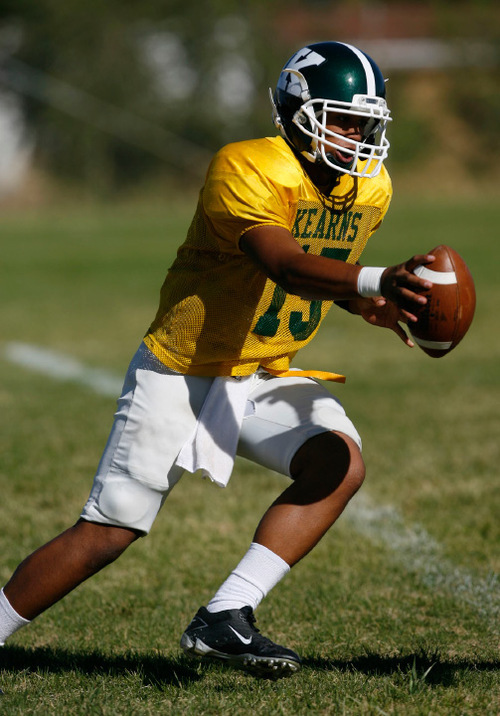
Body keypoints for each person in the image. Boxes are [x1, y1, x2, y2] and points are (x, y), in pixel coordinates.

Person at [0, 41, 434, 677]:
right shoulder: (248, 165)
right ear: (297, 112)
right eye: (342, 119)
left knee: (338, 461)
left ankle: (226, 616)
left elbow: (314, 266)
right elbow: (279, 261)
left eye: (366, 122)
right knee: (109, 532)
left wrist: (359, 302)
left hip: (261, 371)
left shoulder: (370, 187)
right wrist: (372, 282)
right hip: (182, 370)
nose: (358, 135)